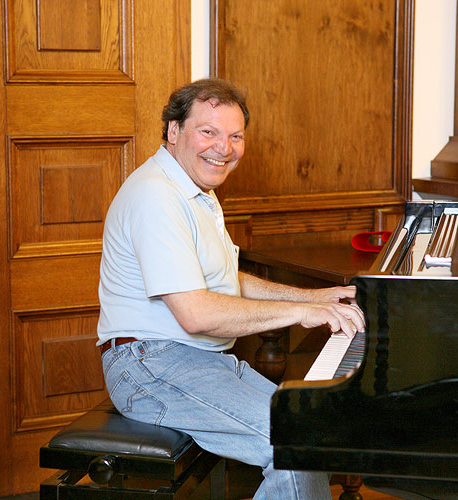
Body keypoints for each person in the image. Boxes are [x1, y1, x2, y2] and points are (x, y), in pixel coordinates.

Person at [97, 78, 365, 500]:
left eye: (235, 136)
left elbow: (226, 280)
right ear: (173, 131)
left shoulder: (196, 190)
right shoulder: (157, 198)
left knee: (309, 431)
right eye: (209, 131)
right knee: (292, 444)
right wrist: (300, 314)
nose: (224, 147)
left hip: (194, 358)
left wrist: (310, 297)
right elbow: (197, 312)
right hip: (149, 365)